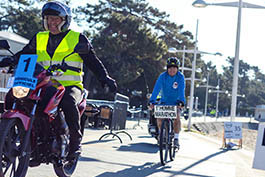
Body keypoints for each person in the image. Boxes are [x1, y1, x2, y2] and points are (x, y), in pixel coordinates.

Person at [0, 1, 117, 160]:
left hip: (70, 85)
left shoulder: (77, 38)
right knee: (16, 97)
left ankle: (75, 143)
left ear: (65, 20)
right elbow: (26, 54)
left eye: (56, 19)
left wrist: (105, 78)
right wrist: (11, 60)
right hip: (43, 82)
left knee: (68, 101)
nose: (52, 22)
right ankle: (13, 137)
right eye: (48, 19)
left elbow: (93, 61)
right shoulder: (39, 37)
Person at [149, 57, 185, 148]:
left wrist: (181, 101)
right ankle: (161, 134)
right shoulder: (162, 76)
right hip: (164, 102)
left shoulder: (180, 77)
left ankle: (176, 138)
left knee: (177, 118)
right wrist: (152, 101)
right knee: (159, 116)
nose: (172, 70)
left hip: (176, 102)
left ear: (177, 68)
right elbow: (156, 89)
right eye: (170, 67)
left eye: (174, 68)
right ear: (167, 68)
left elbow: (181, 90)